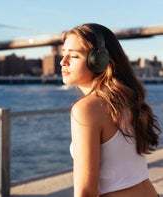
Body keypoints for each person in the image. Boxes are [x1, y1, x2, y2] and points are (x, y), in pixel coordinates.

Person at [60, 23, 161, 197]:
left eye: (74, 56)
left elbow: (86, 192)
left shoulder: (86, 109)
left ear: (99, 61)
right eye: (63, 54)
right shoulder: (127, 100)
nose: (63, 62)